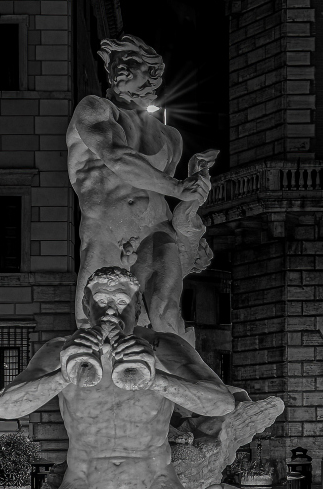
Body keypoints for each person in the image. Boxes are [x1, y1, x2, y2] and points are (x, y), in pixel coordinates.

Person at [0, 266, 238, 489]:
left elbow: (222, 403)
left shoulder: (164, 347)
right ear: (86, 305)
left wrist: (156, 379)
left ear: (137, 307)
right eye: (102, 301)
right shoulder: (61, 349)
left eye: (121, 302)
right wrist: (62, 375)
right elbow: (5, 408)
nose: (110, 311)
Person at [66, 35, 217, 339]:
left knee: (166, 315)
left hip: (157, 231)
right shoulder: (94, 110)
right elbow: (118, 158)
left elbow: (160, 191)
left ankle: (189, 369)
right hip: (108, 234)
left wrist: (191, 234)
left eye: (132, 62)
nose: (120, 67)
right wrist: (179, 187)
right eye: (116, 63)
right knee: (100, 332)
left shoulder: (170, 136)